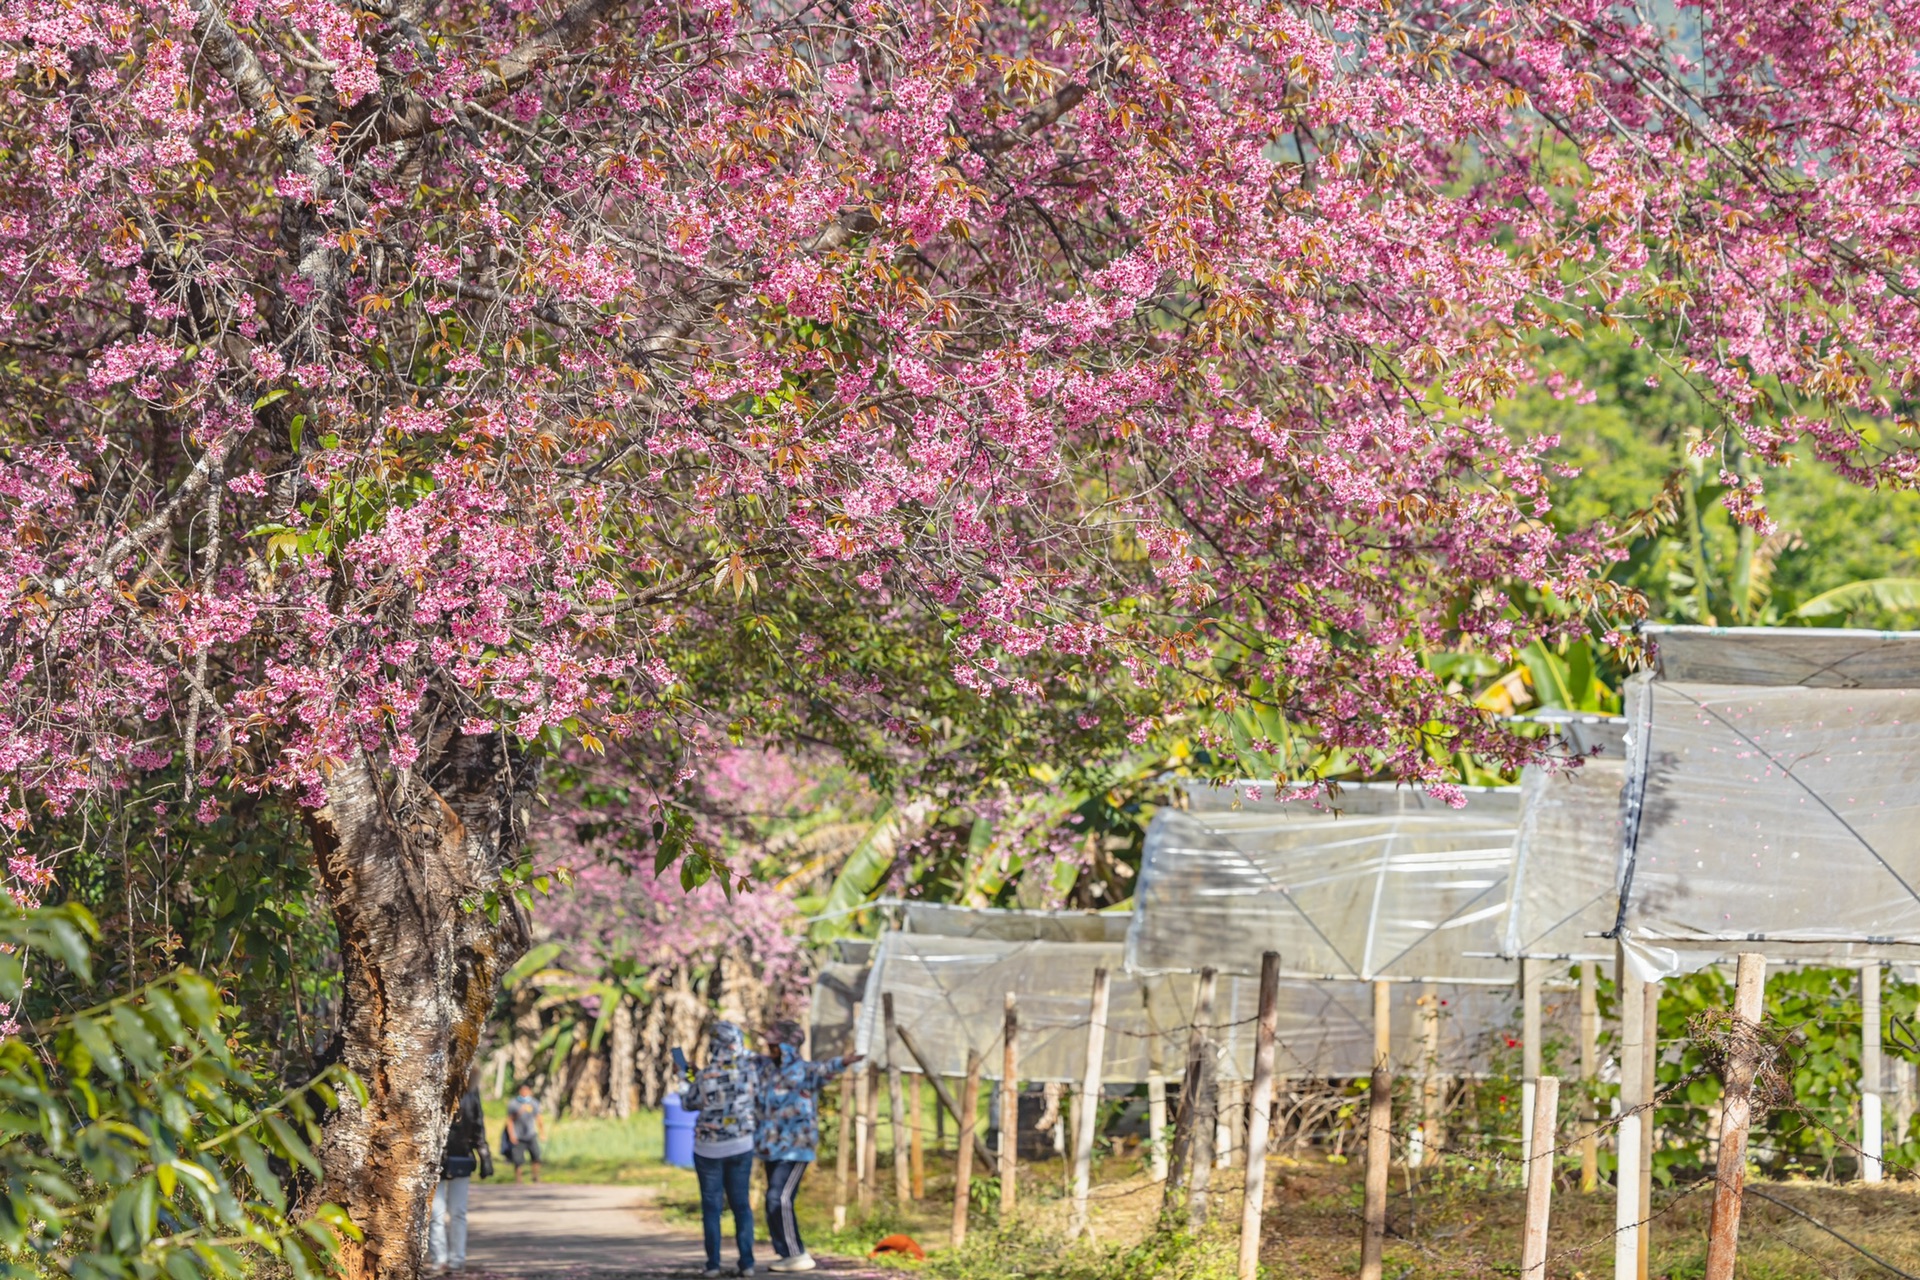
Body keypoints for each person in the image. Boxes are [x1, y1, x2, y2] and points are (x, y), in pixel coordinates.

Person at [753, 1021, 859, 1274]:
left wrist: (846, 1060)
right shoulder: (765, 1069)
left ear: (788, 1046)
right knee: (773, 1200)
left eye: (775, 1043)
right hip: (770, 1146)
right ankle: (785, 1253)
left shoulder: (804, 1071)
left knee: (779, 1197)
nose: (770, 1047)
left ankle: (796, 1253)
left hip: (796, 1147)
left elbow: (826, 1068)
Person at [688, 1021, 758, 1278]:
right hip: (741, 1145)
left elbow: (689, 1102)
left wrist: (688, 1076)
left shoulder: (705, 1075)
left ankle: (713, 1265)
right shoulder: (750, 1072)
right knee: (741, 1205)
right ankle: (747, 1264)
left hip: (708, 1149)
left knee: (711, 1207)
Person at [431, 1067, 491, 1273]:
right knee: (435, 1214)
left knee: (458, 1212)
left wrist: (484, 1155)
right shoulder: (432, 1083)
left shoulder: (471, 1089)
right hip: (434, 1159)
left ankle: (457, 1259)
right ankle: (440, 1259)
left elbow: (477, 1124)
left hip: (461, 1156)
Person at [505, 1080, 545, 1183]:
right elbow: (509, 1121)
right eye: (523, 1090)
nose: (525, 1092)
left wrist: (542, 1133)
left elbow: (539, 1118)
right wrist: (511, 1135)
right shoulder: (513, 1104)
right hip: (518, 1136)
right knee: (518, 1160)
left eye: (527, 1090)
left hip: (531, 1134)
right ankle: (519, 1180)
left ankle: (535, 1177)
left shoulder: (534, 1103)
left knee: (536, 1156)